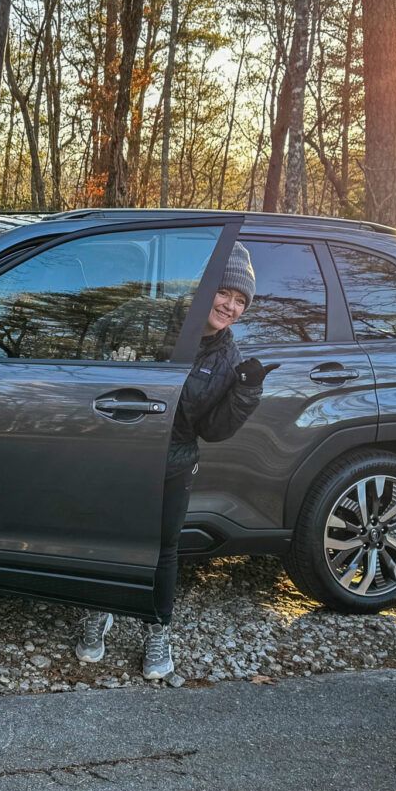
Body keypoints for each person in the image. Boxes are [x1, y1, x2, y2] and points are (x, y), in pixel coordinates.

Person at [74, 242, 277, 679]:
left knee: (164, 549)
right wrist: (109, 363)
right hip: (118, 451)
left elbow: (214, 430)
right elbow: (99, 334)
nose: (231, 306)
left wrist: (246, 392)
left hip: (173, 459)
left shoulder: (228, 358)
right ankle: (98, 612)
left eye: (241, 301)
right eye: (225, 293)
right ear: (206, 289)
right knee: (105, 535)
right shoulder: (150, 315)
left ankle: (157, 629)